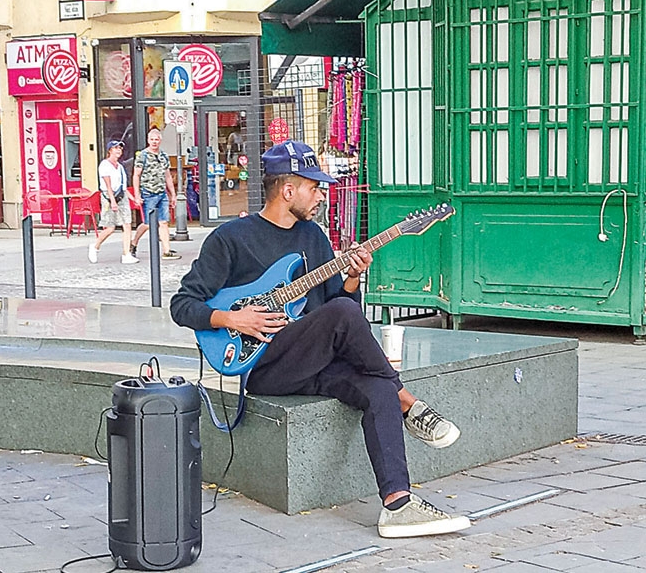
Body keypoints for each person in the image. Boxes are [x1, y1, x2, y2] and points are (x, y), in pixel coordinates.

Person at [170, 141, 470, 539]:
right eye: (314, 188)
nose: (322, 196)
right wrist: (233, 318)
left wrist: (352, 277)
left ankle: (398, 504)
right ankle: (408, 402)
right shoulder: (230, 238)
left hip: (314, 360)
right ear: (287, 190)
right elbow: (181, 305)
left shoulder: (313, 237)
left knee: (377, 387)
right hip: (265, 366)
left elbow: (339, 310)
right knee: (348, 322)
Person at [129, 126, 180, 260]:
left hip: (161, 192)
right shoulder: (143, 156)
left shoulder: (163, 156)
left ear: (160, 140)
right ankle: (133, 243)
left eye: (156, 139)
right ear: (148, 140)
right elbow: (136, 175)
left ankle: (166, 250)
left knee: (163, 222)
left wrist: (173, 194)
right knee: (147, 223)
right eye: (152, 139)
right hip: (148, 192)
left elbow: (167, 176)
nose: (154, 142)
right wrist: (137, 195)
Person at [90, 140, 140, 265]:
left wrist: (133, 198)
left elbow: (123, 187)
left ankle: (126, 254)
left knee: (127, 224)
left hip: (121, 196)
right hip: (109, 196)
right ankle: (95, 246)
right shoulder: (105, 165)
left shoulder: (120, 167)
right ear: (110, 150)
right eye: (116, 148)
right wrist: (112, 201)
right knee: (110, 228)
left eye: (120, 148)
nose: (118, 150)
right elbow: (107, 185)